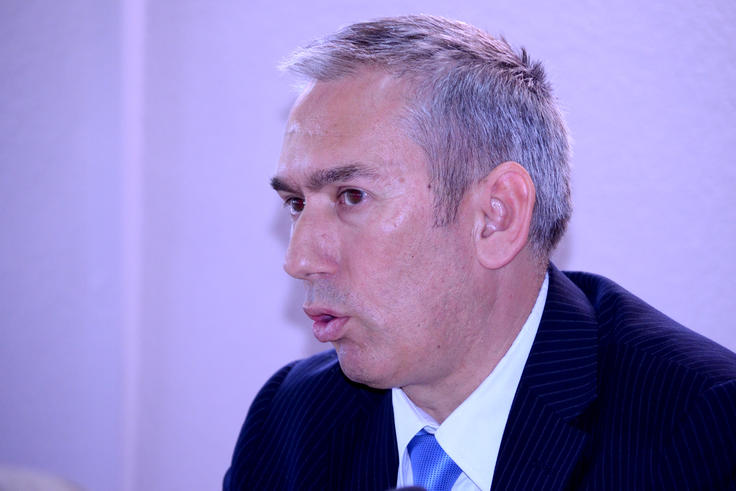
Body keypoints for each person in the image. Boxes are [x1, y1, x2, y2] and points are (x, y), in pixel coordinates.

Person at [224, 14, 736, 490]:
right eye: (296, 203)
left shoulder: (700, 427)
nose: (299, 261)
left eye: (351, 196)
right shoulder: (290, 417)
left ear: (497, 217)